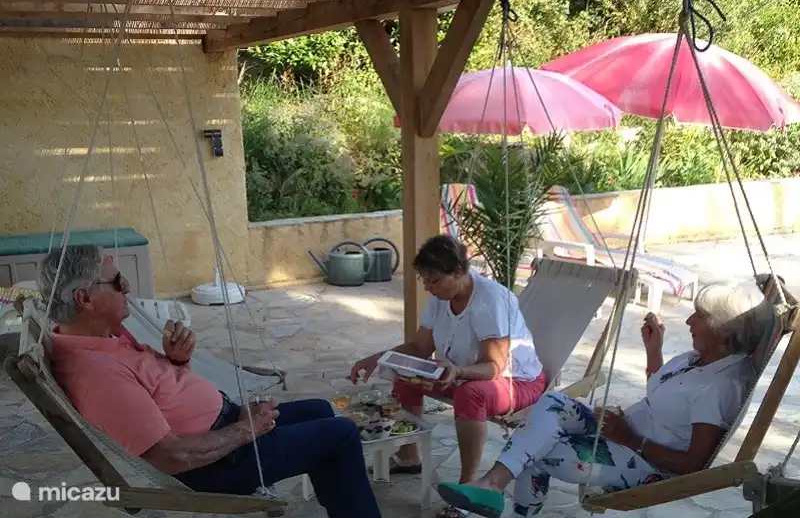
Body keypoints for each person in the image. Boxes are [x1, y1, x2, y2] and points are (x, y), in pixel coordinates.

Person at [40, 245, 382, 518]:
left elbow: (158, 391)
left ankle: (344, 505)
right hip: (216, 463)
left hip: (221, 429)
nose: (127, 287)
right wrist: (247, 430)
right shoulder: (98, 376)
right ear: (85, 299)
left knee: (319, 411)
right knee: (341, 435)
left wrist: (177, 360)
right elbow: (169, 456)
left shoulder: (102, 336)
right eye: (116, 282)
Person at [435, 281, 774, 518]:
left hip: (645, 462)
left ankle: (494, 489)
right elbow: (664, 394)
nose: (688, 321)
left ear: (724, 331)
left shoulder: (721, 387)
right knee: (552, 402)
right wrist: (653, 352)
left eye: (699, 316)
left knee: (536, 452)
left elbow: (693, 466)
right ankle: (492, 485)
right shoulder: (699, 358)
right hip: (623, 434)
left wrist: (629, 437)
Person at [350, 235, 547, 518]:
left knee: (471, 394)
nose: (429, 289)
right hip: (462, 373)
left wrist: (458, 372)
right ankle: (409, 455)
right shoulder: (440, 300)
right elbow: (419, 348)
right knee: (406, 373)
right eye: (425, 281)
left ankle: (468, 487)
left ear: (458, 272)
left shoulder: (491, 300)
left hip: (518, 381)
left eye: (435, 281)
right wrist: (378, 357)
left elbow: (494, 367)